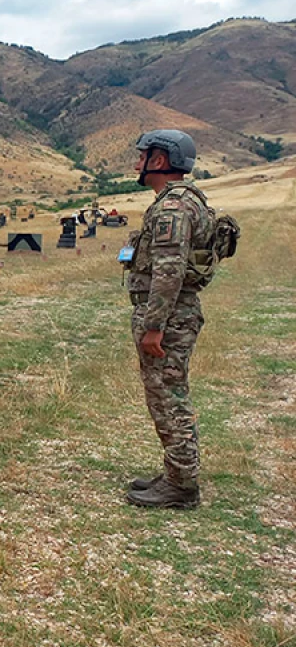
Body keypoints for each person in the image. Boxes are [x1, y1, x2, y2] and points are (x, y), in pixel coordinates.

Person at [122, 129, 217, 509]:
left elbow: (169, 271)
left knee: (168, 396)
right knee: (166, 393)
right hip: (176, 314)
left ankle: (181, 486)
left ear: (160, 161)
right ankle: (177, 473)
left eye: (143, 155)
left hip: (169, 318)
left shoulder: (173, 208)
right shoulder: (187, 202)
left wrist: (154, 326)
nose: (136, 163)